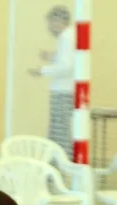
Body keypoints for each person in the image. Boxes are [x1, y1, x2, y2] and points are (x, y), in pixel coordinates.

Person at [28, 5, 75, 159]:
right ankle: (57, 164)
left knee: (60, 133)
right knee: (59, 131)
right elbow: (67, 60)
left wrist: (41, 71)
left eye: (50, 22)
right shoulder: (69, 36)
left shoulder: (66, 37)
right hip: (64, 91)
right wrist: (52, 56)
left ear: (59, 21)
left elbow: (66, 66)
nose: (49, 27)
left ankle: (61, 166)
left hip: (63, 92)